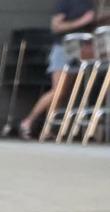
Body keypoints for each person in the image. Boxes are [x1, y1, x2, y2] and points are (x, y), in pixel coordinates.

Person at [20, 0, 95, 139]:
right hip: (63, 47)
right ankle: (28, 121)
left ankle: (48, 129)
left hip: (79, 48)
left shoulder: (89, 3)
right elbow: (56, 26)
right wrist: (82, 21)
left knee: (64, 92)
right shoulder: (65, 2)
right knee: (57, 89)